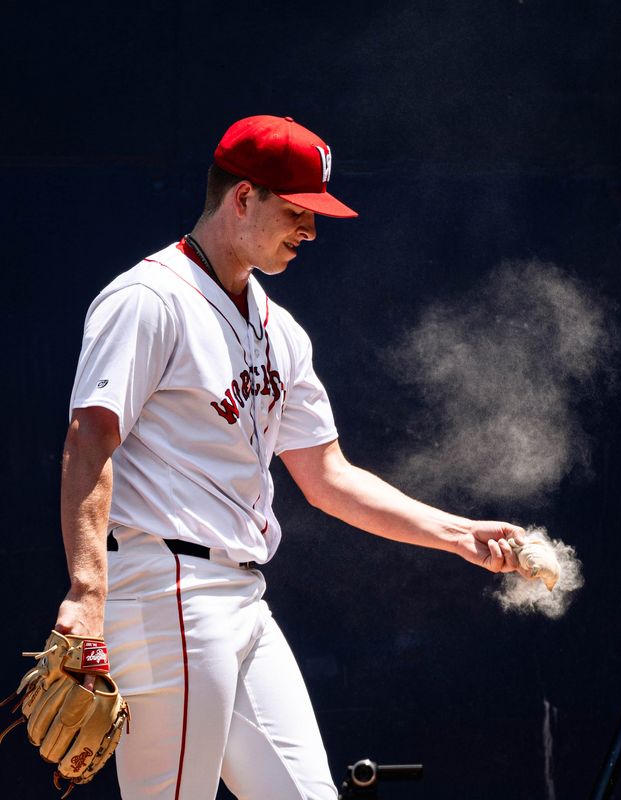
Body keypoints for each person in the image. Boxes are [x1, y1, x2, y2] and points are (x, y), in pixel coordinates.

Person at [55, 115, 528, 800]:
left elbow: (328, 477)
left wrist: (458, 534)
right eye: (297, 211)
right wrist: (87, 593)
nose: (310, 230)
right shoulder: (149, 299)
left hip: (243, 596)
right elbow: (89, 437)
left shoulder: (280, 330)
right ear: (243, 197)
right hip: (165, 588)